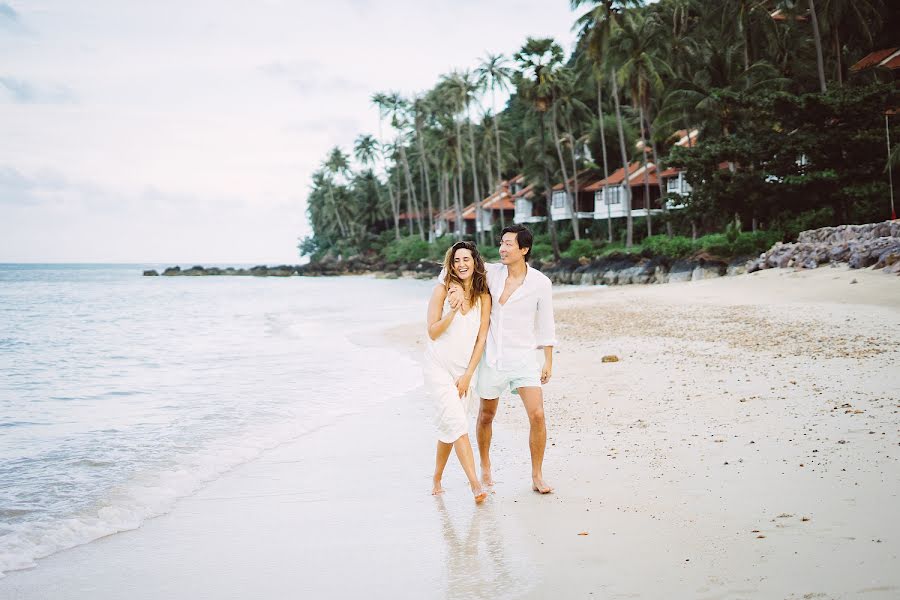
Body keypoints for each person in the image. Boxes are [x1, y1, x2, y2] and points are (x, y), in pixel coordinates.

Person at [448, 225, 556, 494]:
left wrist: (548, 360)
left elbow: (546, 324)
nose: (502, 248)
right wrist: (455, 289)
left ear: (524, 249)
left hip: (523, 358)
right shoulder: (492, 273)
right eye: (501, 243)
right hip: (492, 356)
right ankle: (485, 465)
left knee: (538, 415)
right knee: (486, 415)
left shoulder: (541, 283)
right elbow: (456, 273)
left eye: (509, 244)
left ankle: (537, 475)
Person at [424, 241, 492, 503]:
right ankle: (475, 485)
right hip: (438, 366)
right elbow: (432, 332)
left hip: (465, 370)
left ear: (475, 262)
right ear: (450, 265)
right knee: (457, 423)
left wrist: (467, 375)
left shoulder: (484, 297)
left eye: (466, 259)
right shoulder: (441, 291)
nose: (462, 264)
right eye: (456, 260)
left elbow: (481, 338)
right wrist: (452, 311)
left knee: (450, 425)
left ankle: (437, 477)